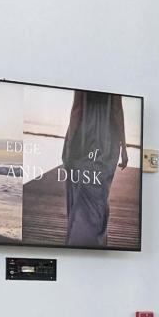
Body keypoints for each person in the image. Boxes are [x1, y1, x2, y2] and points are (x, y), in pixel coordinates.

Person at [61, 90, 127, 248]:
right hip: (107, 139)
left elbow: (77, 108)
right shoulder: (114, 81)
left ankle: (76, 238)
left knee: (79, 189)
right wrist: (124, 146)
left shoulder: (82, 77)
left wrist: (70, 143)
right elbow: (117, 109)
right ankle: (96, 240)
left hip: (83, 136)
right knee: (99, 193)